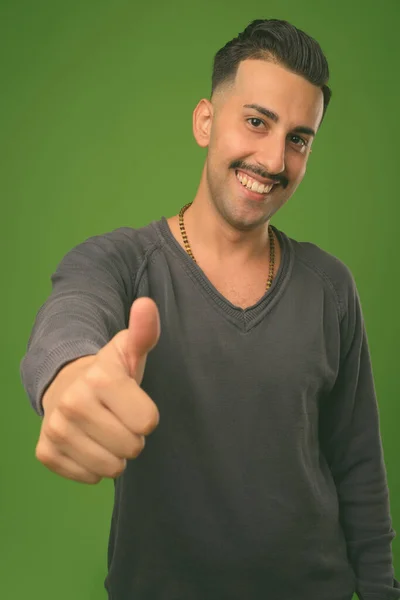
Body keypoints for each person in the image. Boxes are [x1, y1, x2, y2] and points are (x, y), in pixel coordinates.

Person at [20, 18, 399, 600]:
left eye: (298, 139)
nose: (273, 159)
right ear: (205, 121)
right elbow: (71, 311)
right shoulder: (122, 261)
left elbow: (358, 465)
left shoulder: (331, 286)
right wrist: (69, 372)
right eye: (256, 122)